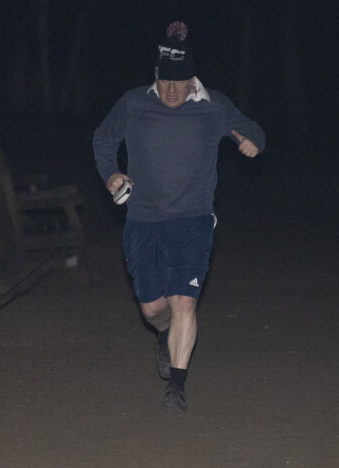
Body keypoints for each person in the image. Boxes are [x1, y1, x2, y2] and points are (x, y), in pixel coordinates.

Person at [92, 21, 265, 413]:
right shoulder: (134, 103)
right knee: (154, 310)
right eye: (165, 80)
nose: (172, 90)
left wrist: (255, 142)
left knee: (184, 302)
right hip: (142, 220)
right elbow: (103, 138)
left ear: (193, 79)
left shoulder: (214, 105)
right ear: (156, 75)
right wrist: (111, 174)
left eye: (180, 81)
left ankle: (177, 386)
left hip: (193, 220)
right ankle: (163, 334)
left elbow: (252, 130)